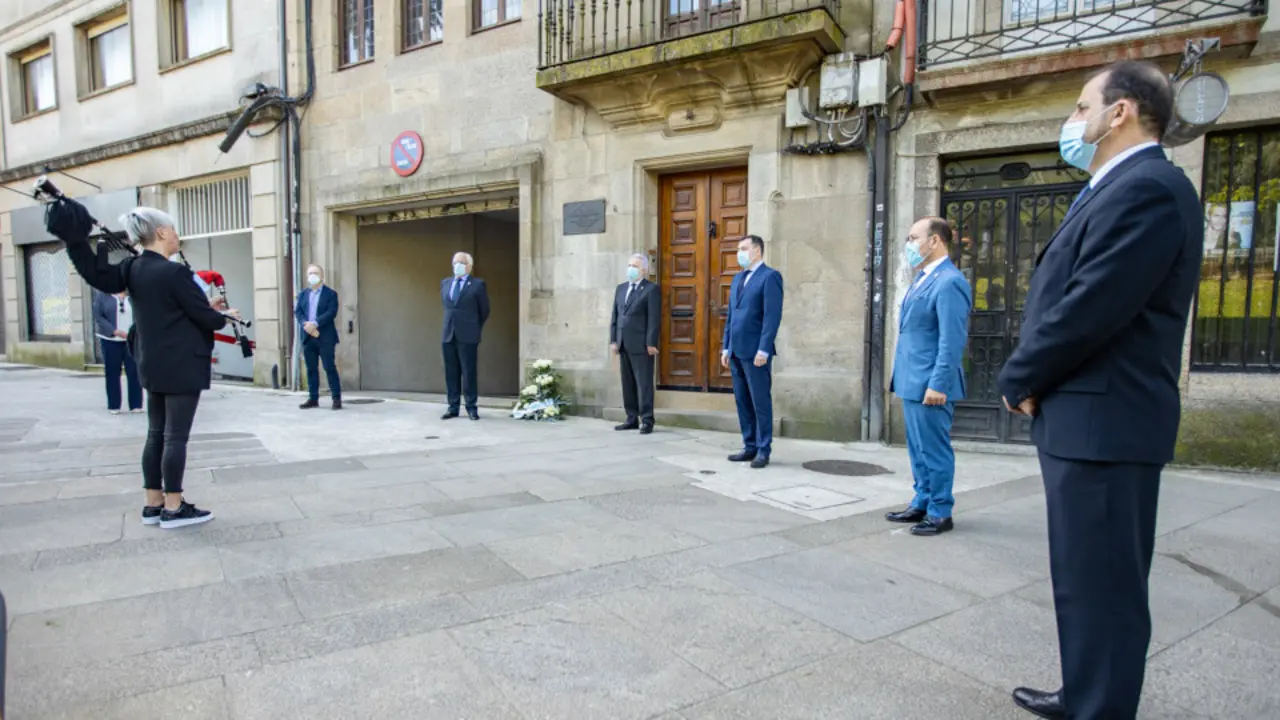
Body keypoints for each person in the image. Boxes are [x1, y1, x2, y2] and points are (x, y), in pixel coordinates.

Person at [997, 60, 1202, 720]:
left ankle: (1100, 708)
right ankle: (1086, 695)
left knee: (1107, 589)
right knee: (1084, 585)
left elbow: (1091, 306)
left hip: (1107, 424)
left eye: (1082, 107)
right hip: (1085, 420)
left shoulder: (1150, 189)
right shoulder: (1114, 187)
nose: (1073, 121)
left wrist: (1020, 376)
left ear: (1121, 113)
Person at [48, 202, 238, 530]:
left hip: (151, 362)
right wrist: (221, 314)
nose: (178, 236)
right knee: (176, 436)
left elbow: (100, 275)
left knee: (156, 434)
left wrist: (76, 241)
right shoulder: (175, 272)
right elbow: (207, 319)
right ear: (162, 233)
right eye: (174, 230)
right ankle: (175, 508)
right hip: (181, 365)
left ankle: (153, 503)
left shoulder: (132, 268)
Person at [886, 217, 971, 537]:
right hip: (911, 379)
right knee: (917, 448)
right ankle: (922, 500)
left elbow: (952, 340)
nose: (909, 245)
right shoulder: (922, 278)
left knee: (933, 449)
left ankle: (939, 511)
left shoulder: (950, 281)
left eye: (913, 238)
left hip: (930, 383)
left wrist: (939, 383)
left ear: (934, 241)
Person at [721, 234, 783, 469]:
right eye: (739, 248)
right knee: (742, 401)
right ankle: (749, 445)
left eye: (743, 248)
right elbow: (731, 317)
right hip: (736, 351)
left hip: (756, 352)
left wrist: (764, 349)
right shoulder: (738, 278)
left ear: (757, 251)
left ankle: (763, 449)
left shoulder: (770, 277)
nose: (739, 252)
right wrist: (726, 347)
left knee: (759, 401)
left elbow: (771, 317)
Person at [610, 253, 661, 435]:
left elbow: (654, 319)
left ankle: (647, 419)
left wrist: (651, 342)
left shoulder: (651, 289)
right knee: (628, 383)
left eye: (635, 266)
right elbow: (615, 316)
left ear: (644, 270)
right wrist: (614, 340)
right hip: (623, 342)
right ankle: (631, 417)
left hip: (641, 345)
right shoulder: (621, 288)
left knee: (643, 383)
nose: (631, 269)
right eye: (629, 265)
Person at [441, 251, 490, 420]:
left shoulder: (477, 284)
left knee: (468, 372)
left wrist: (473, 326)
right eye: (455, 262)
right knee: (451, 372)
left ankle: (471, 407)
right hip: (449, 334)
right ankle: (453, 406)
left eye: (461, 262)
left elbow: (484, 310)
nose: (458, 265)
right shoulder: (446, 283)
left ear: (469, 266)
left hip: (468, 335)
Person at [294, 264, 342, 410]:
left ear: (322, 276)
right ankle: (313, 398)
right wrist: (305, 324)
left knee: (329, 367)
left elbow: (331, 312)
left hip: (325, 337)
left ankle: (336, 398)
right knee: (311, 369)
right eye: (309, 273)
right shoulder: (302, 294)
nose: (312, 276)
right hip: (308, 337)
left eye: (315, 273)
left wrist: (315, 323)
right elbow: (298, 312)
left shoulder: (331, 294)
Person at [93, 288, 143, 415]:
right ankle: (114, 405)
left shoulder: (134, 295)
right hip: (110, 339)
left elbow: (143, 314)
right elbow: (98, 316)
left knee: (134, 371)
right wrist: (114, 331)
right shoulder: (102, 296)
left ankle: (136, 404)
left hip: (131, 340)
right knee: (112, 372)